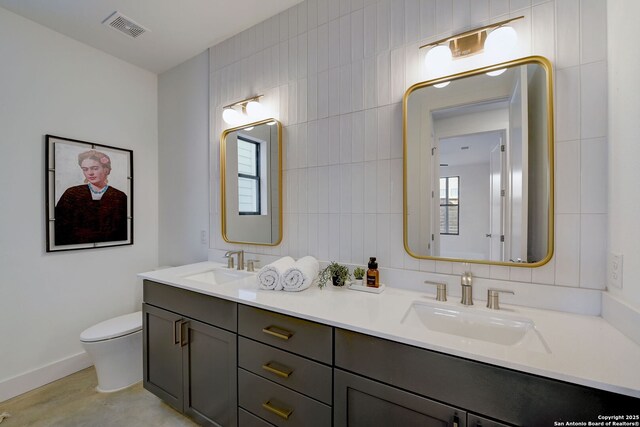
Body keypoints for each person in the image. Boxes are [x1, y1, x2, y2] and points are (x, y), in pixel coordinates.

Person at [54, 149, 128, 245]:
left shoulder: (120, 197)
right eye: (85, 169)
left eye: (95, 168)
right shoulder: (71, 194)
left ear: (106, 170)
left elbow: (123, 230)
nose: (90, 173)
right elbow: (58, 227)